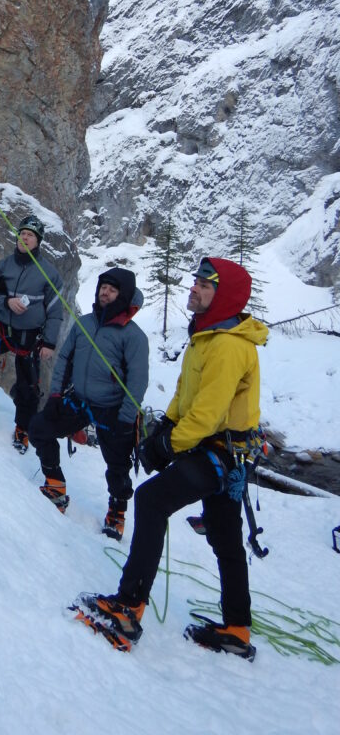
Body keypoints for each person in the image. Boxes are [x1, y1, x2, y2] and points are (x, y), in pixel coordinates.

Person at [72, 257, 268, 659]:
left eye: (204, 285)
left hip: (219, 453)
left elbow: (208, 413)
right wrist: (166, 429)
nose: (193, 288)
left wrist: (168, 445)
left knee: (151, 499)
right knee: (225, 536)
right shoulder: (207, 337)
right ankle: (236, 628)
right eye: (195, 281)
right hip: (221, 452)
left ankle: (127, 609)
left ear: (223, 296)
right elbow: (185, 396)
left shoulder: (228, 346)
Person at [29, 267, 148, 522]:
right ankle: (55, 485)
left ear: (124, 295)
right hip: (80, 399)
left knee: (117, 465)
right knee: (40, 428)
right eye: (103, 287)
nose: (105, 292)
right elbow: (65, 360)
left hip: (113, 408)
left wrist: (126, 419)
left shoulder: (133, 336)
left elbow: (137, 382)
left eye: (112, 289)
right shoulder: (84, 324)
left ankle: (117, 512)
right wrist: (55, 396)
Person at [0, 215, 63, 451]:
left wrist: (49, 342)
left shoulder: (49, 273)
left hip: (31, 337)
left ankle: (23, 428)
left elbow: (55, 312)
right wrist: (7, 301)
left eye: (30, 235)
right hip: (3, 329)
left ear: (38, 241)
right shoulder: (4, 266)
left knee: (28, 387)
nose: (24, 238)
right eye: (22, 233)